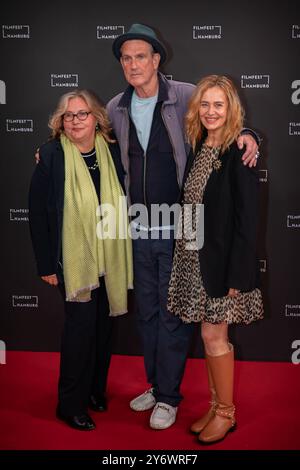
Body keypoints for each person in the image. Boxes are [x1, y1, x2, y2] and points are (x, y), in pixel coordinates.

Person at [107, 23, 260, 430]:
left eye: (142, 56)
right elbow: (85, 139)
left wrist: (247, 134)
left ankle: (172, 398)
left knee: (176, 317)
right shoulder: (114, 107)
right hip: (141, 228)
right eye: (127, 57)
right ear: (121, 65)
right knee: (148, 314)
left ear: (157, 60)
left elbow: (225, 115)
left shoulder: (185, 94)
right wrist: (49, 147)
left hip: (180, 233)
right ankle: (157, 386)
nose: (134, 64)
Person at [29, 89, 133, 431]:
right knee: (80, 330)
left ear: (96, 119)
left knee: (104, 329)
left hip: (110, 256)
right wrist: (46, 264)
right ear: (61, 122)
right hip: (73, 261)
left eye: (82, 114)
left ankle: (94, 391)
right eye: (68, 115)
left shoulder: (112, 151)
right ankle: (69, 403)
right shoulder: (51, 155)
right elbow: (37, 213)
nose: (75, 121)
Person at [167, 75, 264, 444]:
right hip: (194, 259)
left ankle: (226, 413)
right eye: (204, 104)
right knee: (209, 337)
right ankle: (214, 404)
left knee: (214, 334)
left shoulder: (239, 150)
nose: (211, 111)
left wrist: (239, 273)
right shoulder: (198, 145)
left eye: (218, 105)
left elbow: (247, 220)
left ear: (231, 109)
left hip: (223, 265)